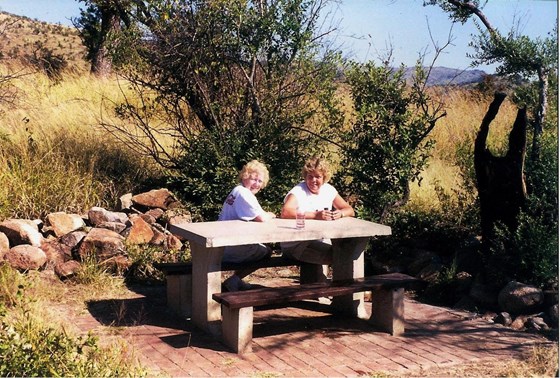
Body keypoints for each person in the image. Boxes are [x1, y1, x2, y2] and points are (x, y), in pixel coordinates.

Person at [280, 156, 354, 281]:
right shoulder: (298, 191)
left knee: (345, 251)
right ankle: (342, 293)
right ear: (305, 177)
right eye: (310, 176)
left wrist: (340, 213)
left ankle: (329, 289)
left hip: (318, 240)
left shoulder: (328, 190)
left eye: (318, 177)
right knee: (340, 256)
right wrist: (314, 215)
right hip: (295, 244)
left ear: (324, 177)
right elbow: (285, 212)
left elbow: (349, 210)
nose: (313, 180)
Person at [218, 160, 276, 291]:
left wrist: (264, 214)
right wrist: (271, 215)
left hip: (223, 243)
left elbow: (256, 213)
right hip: (229, 246)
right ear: (245, 177)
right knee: (266, 252)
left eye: (260, 181)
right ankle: (234, 280)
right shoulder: (244, 194)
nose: (256, 184)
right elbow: (261, 218)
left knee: (261, 248)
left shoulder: (237, 190)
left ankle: (235, 280)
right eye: (253, 179)